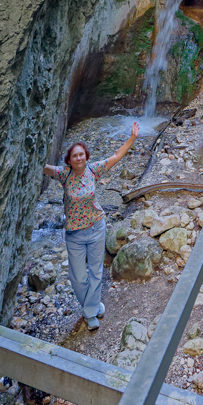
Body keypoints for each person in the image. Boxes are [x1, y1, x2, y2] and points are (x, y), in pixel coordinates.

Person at [43, 121, 140, 329]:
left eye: (81, 154)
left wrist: (132, 137)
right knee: (77, 277)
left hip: (96, 227)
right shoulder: (64, 174)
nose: (78, 158)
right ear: (69, 160)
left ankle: (90, 313)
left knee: (95, 272)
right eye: (74, 155)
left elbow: (116, 156)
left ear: (86, 156)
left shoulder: (93, 170)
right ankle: (94, 306)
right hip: (75, 234)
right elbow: (45, 169)